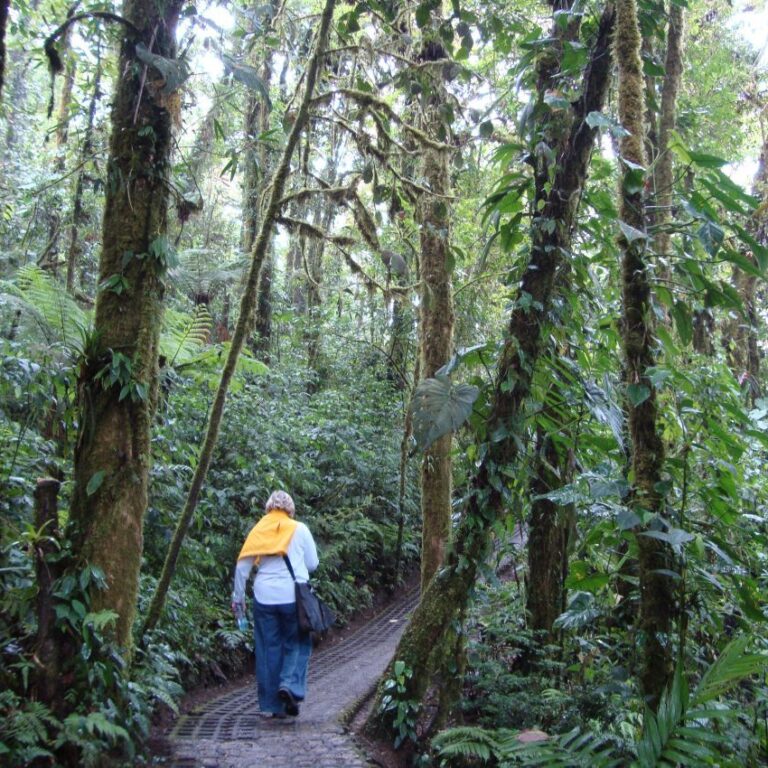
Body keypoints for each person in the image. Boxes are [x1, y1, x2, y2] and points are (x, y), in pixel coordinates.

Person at [231, 490, 319, 718]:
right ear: (290, 509)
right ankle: (289, 685)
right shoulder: (299, 529)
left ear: (269, 508)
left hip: (263, 596)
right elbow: (312, 564)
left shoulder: (259, 530)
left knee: (268, 648)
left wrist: (238, 600)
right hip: (292, 596)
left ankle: (271, 707)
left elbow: (242, 568)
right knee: (298, 643)